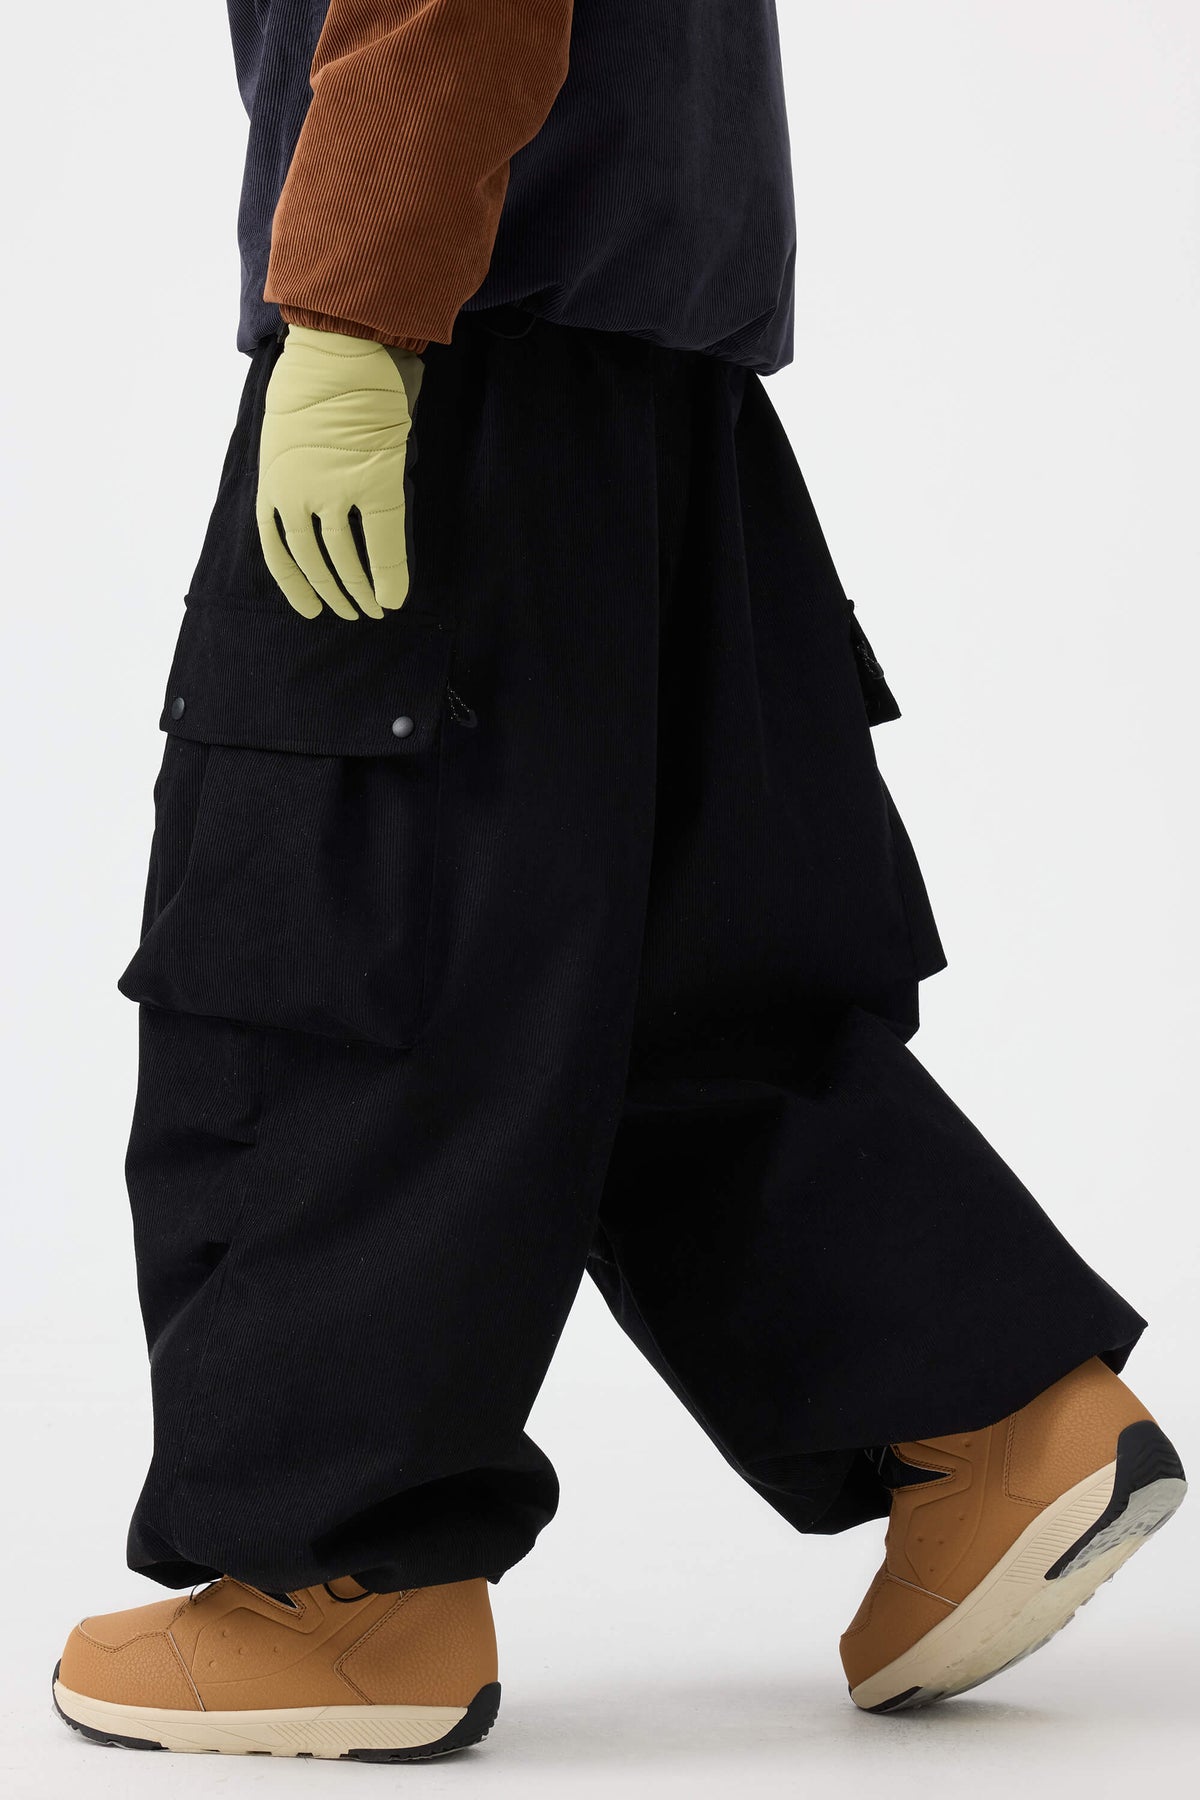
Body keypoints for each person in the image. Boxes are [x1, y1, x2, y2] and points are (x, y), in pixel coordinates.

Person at [51, 0, 1184, 1763]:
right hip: (657, 379)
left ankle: (337, 1593)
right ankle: (992, 1423)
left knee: (339, 957)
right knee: (669, 973)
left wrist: (352, 311)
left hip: (449, 337)